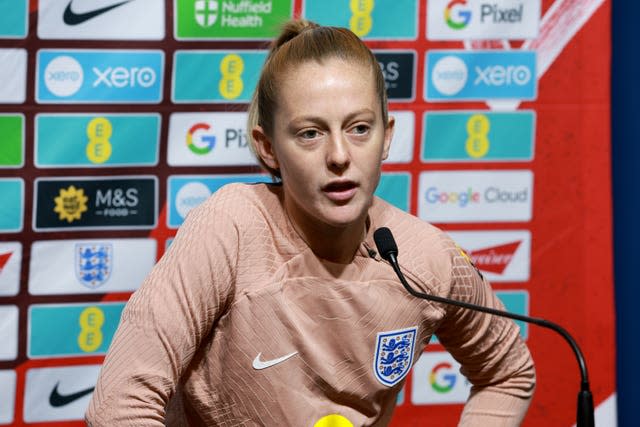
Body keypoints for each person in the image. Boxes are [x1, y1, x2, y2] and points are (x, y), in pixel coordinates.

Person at [86, 18, 535, 426]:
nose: (340, 156)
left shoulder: (426, 257)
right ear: (267, 147)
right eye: (310, 133)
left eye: (359, 128)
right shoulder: (231, 228)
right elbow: (118, 406)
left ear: (387, 137)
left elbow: (509, 373)